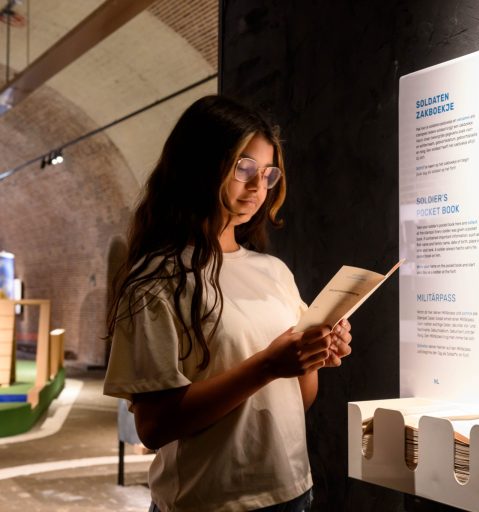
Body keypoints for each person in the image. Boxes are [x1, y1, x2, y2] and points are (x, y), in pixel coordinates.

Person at [103, 95, 352, 512]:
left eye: (268, 174)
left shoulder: (273, 272)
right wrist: (268, 365)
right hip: (208, 501)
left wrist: (312, 354)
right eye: (244, 168)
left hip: (292, 491)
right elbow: (154, 426)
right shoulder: (158, 278)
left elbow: (297, 400)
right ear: (200, 164)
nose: (258, 187)